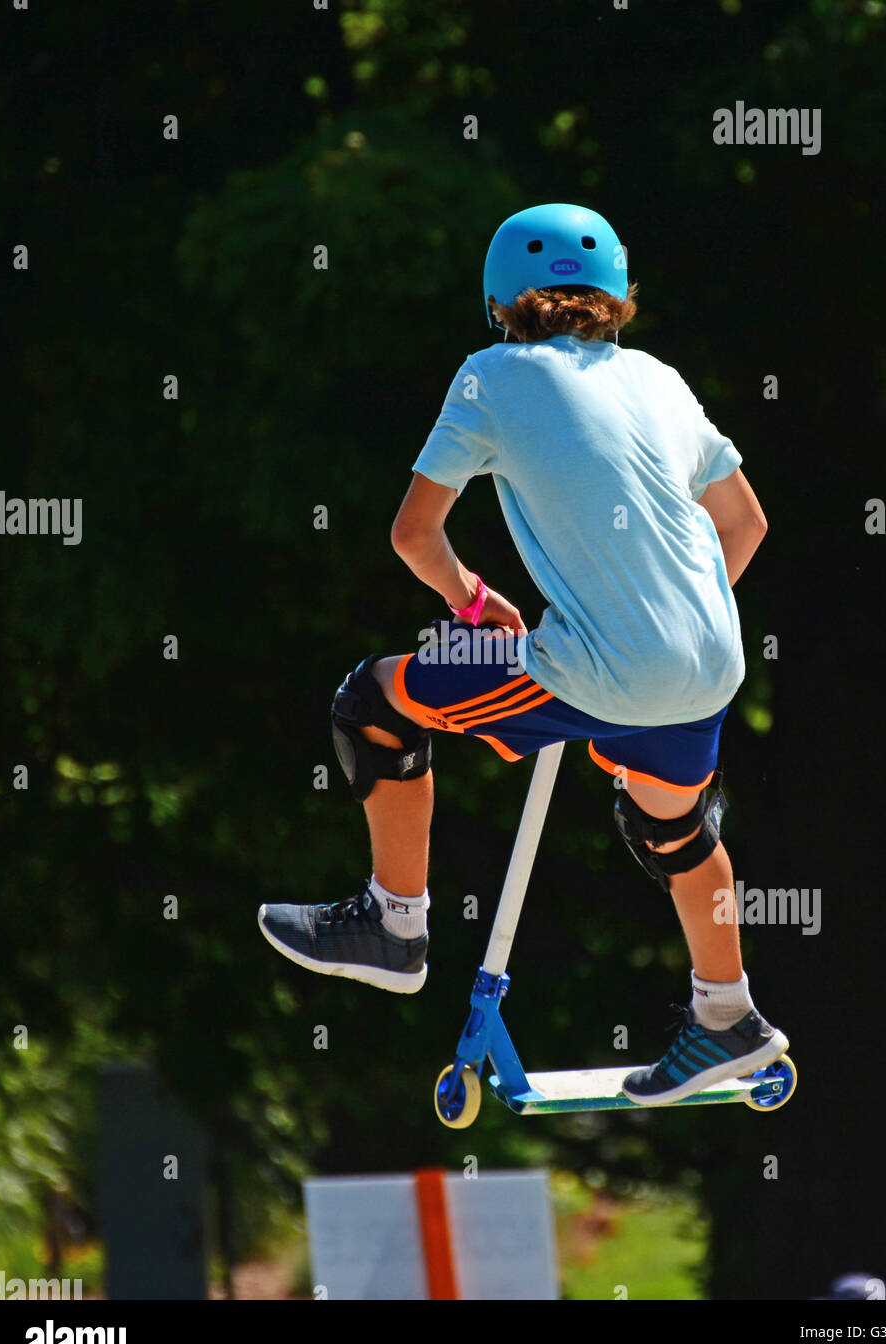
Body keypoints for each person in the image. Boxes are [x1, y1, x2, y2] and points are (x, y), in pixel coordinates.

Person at [259, 203, 788, 1105]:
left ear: (501, 300)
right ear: (616, 293)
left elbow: (414, 535)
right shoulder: (660, 379)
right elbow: (746, 524)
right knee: (669, 827)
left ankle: (394, 926)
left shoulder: (492, 376)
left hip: (600, 665)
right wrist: (668, 623)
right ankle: (728, 1017)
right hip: (710, 662)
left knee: (373, 702)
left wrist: (472, 601)